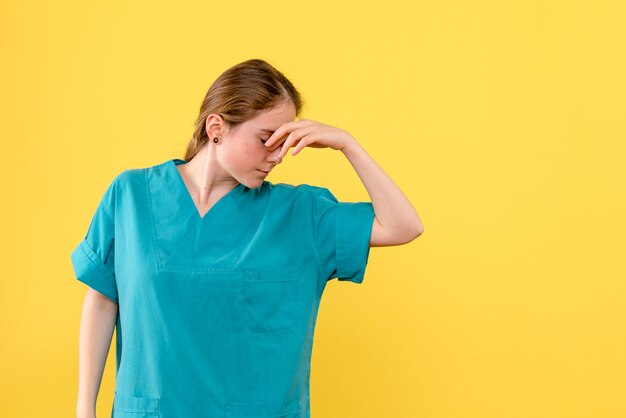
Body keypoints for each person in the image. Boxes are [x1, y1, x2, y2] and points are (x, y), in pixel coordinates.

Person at [71, 58, 424, 418]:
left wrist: (348, 144)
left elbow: (403, 225)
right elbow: (102, 299)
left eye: (284, 141)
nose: (278, 155)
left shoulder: (301, 214)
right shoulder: (131, 196)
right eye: (266, 139)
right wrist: (85, 408)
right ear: (216, 128)